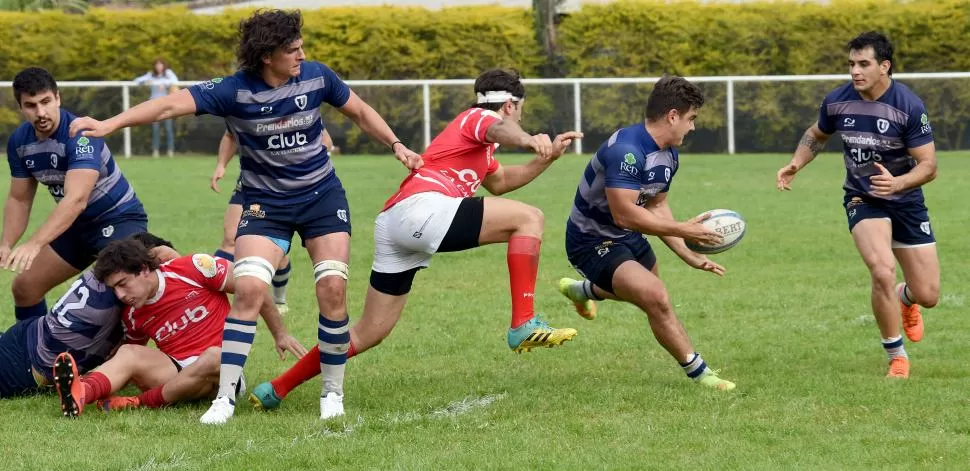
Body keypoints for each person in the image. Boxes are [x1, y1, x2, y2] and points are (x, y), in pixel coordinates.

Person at [69, 9, 423, 424]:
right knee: (251, 290)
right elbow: (167, 106)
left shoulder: (317, 76)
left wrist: (397, 144)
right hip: (264, 205)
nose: (301, 55)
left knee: (332, 290)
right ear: (266, 55)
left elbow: (361, 112)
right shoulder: (232, 90)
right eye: (292, 49)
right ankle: (224, 399)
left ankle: (333, 392)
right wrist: (111, 123)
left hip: (322, 198)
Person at [249, 68, 582, 411]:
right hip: (422, 209)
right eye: (518, 108)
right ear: (511, 104)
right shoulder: (477, 117)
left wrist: (547, 158)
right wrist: (529, 139)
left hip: (396, 222)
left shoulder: (480, 148)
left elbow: (500, 183)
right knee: (530, 218)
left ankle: (275, 388)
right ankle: (523, 323)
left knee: (369, 332)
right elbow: (497, 125)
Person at [555, 75, 736, 391]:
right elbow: (624, 212)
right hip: (590, 239)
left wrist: (689, 255)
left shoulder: (668, 154)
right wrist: (683, 228)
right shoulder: (627, 150)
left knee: (647, 296)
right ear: (672, 116)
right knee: (656, 297)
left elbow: (656, 206)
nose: (692, 127)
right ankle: (701, 373)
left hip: (627, 234)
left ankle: (582, 291)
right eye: (691, 119)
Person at [776, 31, 938, 379]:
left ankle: (906, 299)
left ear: (884, 66)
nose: (855, 71)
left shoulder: (908, 105)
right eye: (851, 64)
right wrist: (796, 163)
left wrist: (899, 182)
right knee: (881, 269)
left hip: (906, 199)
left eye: (863, 64)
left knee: (929, 293)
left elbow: (929, 166)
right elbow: (817, 133)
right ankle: (896, 354)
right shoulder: (838, 101)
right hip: (862, 198)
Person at [53, 238, 306, 418]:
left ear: (143, 270)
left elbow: (253, 288)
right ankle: (81, 393)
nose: (120, 295)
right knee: (129, 352)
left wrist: (279, 333)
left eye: (123, 284)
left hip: (223, 375)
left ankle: (138, 403)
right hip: (174, 372)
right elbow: (129, 359)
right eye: (114, 289)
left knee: (213, 356)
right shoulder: (132, 314)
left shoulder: (194, 268)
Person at [2, 67, 149, 322]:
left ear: (57, 98)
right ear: (21, 107)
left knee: (114, 297)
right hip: (75, 227)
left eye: (46, 102)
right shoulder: (20, 142)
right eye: (31, 105)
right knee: (25, 288)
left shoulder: (80, 134)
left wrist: (35, 243)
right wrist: (6, 244)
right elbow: (19, 199)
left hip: (118, 219)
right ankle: (29, 356)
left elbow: (76, 200)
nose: (41, 112)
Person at [0, 232, 173, 398]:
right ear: (145, 266)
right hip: (21, 364)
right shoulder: (123, 295)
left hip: (30, 336)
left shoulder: (113, 272)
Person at [209, 127, 336, 313]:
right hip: (251, 182)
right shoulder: (244, 104)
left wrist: (298, 164)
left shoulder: (295, 106)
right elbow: (230, 134)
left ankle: (279, 300)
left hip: (285, 187)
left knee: (277, 250)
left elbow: (326, 141)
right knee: (230, 238)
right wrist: (221, 164)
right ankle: (209, 296)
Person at [133, 58, 179, 158]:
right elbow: (137, 80)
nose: (159, 67)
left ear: (163, 66)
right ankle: (155, 151)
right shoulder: (151, 75)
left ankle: (170, 151)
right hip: (154, 106)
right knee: (155, 129)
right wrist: (148, 81)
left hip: (166, 105)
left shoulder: (168, 74)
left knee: (168, 129)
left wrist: (164, 83)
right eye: (157, 65)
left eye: (161, 64)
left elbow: (175, 81)